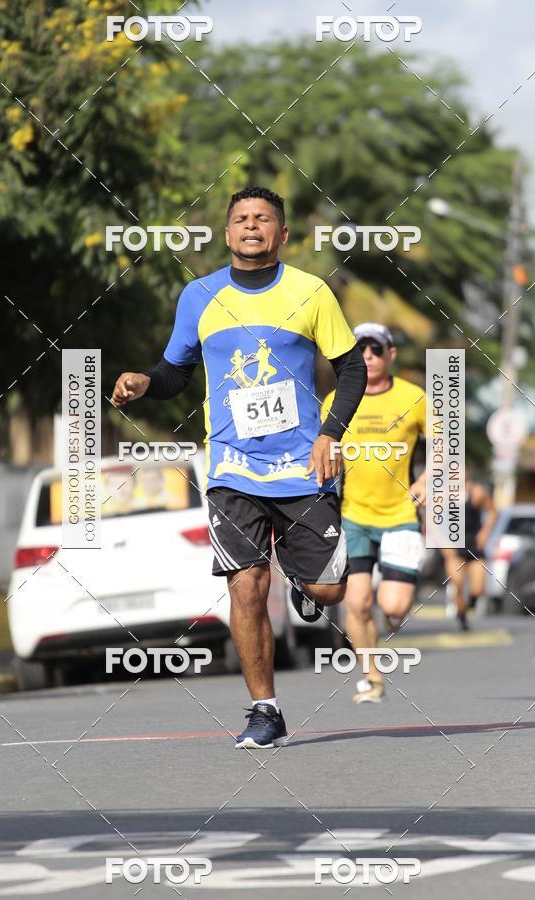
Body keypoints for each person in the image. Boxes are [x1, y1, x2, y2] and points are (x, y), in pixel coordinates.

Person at [111, 186, 367, 748]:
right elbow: (176, 371)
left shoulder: (311, 292)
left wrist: (330, 434)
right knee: (246, 583)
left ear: (282, 235)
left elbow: (352, 370)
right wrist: (146, 383)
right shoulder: (198, 296)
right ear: (227, 234)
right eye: (242, 219)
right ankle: (264, 709)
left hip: (302, 467)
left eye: (264, 219)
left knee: (328, 594)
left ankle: (306, 583)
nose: (252, 226)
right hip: (231, 467)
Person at [321, 323, 426, 704]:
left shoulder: (415, 398)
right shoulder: (336, 399)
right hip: (354, 515)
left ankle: (392, 621)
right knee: (357, 602)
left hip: (400, 514)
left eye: (376, 349)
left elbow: (450, 444)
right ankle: (371, 674)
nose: (368, 355)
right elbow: (324, 450)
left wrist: (429, 480)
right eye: (360, 348)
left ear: (390, 354)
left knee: (394, 607)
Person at [441, 469, 498, 630]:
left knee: (478, 589)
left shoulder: (477, 492)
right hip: (454, 549)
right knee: (457, 584)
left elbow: (493, 512)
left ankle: (471, 603)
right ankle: (462, 615)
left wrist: (485, 532)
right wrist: (443, 543)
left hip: (474, 546)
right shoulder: (444, 494)